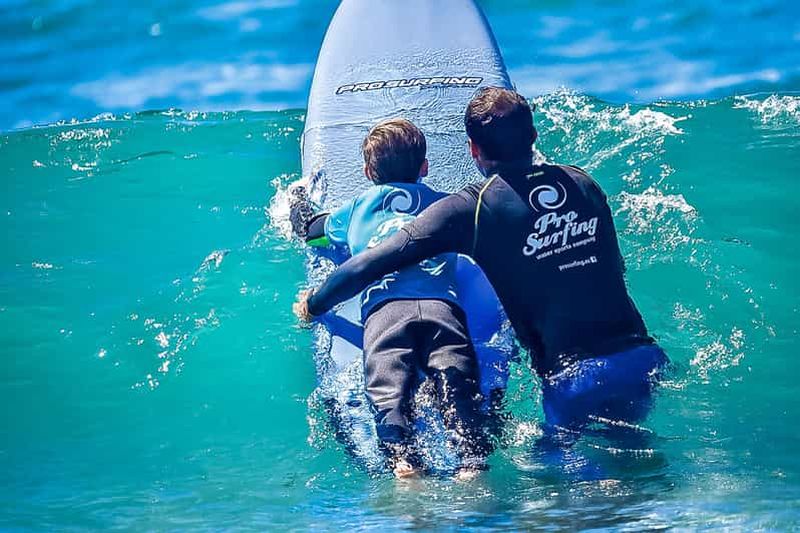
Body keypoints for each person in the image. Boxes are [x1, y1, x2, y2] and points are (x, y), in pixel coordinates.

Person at [295, 87, 668, 439]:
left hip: (573, 379)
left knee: (565, 484)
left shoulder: (472, 208)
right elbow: (615, 266)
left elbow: (370, 264)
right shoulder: (581, 182)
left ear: (473, 149)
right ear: (533, 136)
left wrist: (313, 304)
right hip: (642, 359)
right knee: (634, 463)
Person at [291, 119, 487, 479]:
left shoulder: (356, 209)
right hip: (442, 307)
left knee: (388, 384)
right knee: (455, 377)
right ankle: (471, 461)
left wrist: (297, 201)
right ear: (424, 167)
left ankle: (404, 460)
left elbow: (313, 232)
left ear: (367, 172)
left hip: (386, 311)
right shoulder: (446, 206)